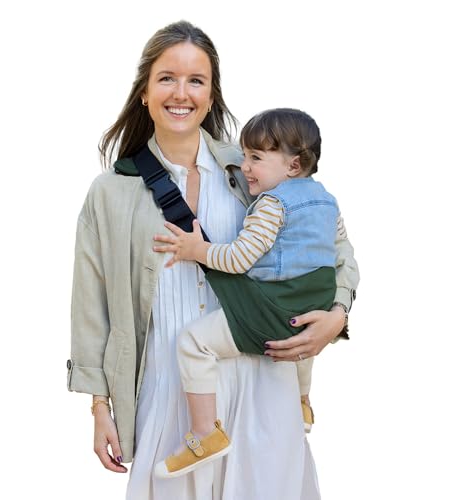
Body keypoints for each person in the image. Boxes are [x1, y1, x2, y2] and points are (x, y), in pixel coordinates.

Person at [67, 20, 359, 500]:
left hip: (264, 383)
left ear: (211, 94)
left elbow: (333, 246)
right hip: (169, 389)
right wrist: (100, 406)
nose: (181, 93)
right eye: (167, 78)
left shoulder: (254, 167)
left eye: (196, 80)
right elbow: (90, 304)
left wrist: (337, 315)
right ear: (144, 91)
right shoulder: (110, 191)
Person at [152, 107, 339, 478]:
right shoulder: (326, 199)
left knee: (193, 343)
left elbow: (239, 258)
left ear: (293, 165)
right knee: (301, 345)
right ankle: (302, 402)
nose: (245, 166)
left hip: (272, 308)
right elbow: (338, 244)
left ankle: (205, 433)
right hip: (314, 302)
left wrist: (197, 250)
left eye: (256, 158)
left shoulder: (271, 205)